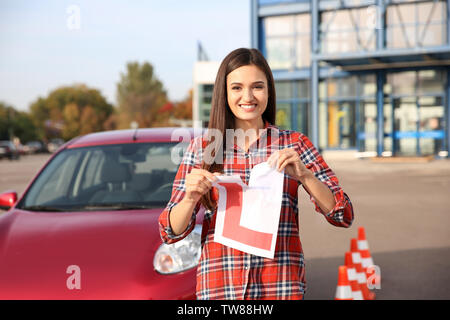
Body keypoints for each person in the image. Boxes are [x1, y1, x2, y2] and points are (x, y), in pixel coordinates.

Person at [159, 48, 354, 300]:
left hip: (280, 288)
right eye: (237, 87)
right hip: (220, 289)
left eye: (257, 87)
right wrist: (189, 199)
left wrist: (306, 176)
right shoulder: (203, 149)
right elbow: (169, 232)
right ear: (224, 93)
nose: (248, 96)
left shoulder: (294, 145)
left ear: (269, 91)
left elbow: (343, 215)